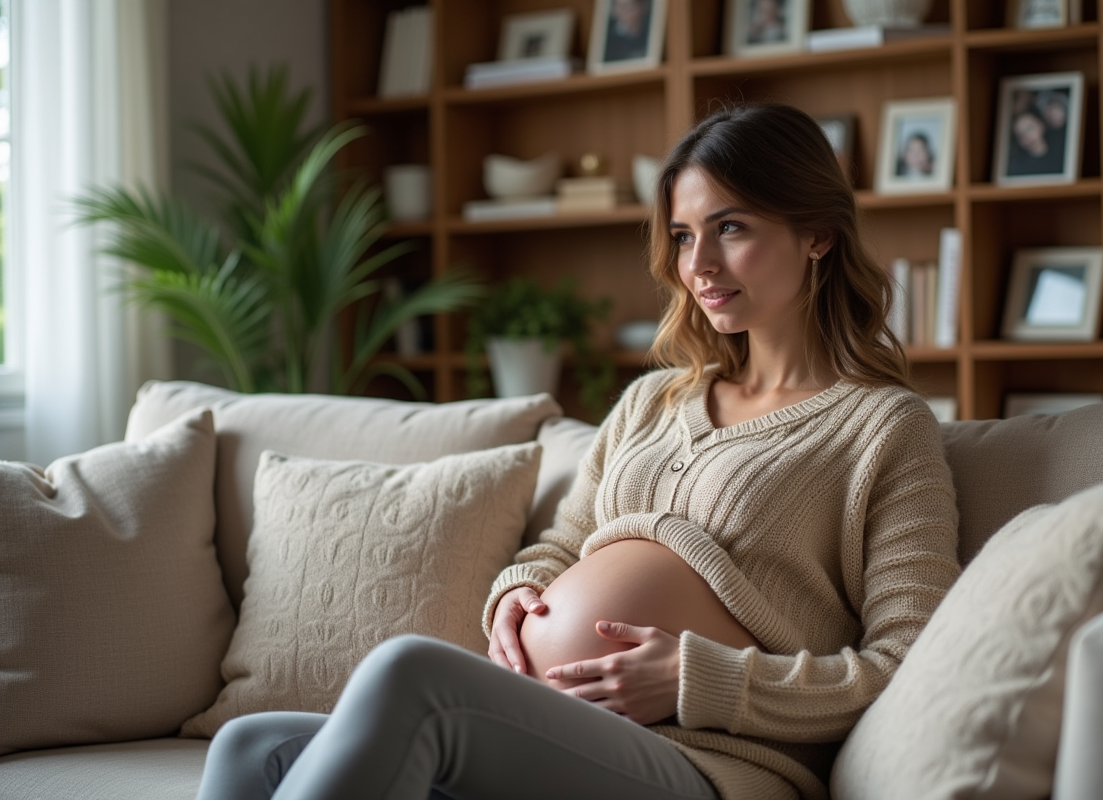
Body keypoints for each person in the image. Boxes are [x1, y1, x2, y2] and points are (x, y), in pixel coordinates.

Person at [194, 103, 960, 800]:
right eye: (685, 236)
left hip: (709, 762)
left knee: (408, 672)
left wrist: (702, 683)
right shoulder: (652, 402)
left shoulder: (883, 428)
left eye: (732, 228)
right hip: (551, 724)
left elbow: (908, 665)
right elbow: (562, 544)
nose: (698, 266)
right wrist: (517, 596)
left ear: (817, 233)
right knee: (248, 744)